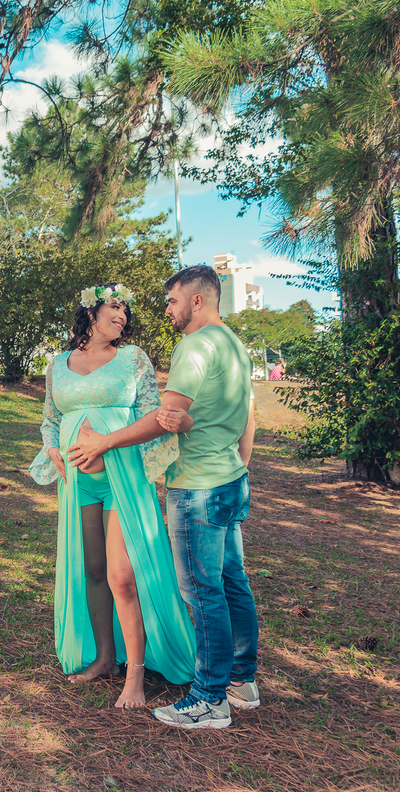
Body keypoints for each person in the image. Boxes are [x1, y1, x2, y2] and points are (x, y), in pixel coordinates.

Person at [68, 265, 258, 730]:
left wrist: (105, 442)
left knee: (203, 591)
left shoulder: (195, 345)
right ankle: (242, 681)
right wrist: (240, 465)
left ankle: (210, 699)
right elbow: (248, 415)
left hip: (198, 485)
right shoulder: (235, 344)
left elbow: (165, 415)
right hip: (230, 478)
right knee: (232, 582)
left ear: (197, 300)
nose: (167, 309)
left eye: (172, 300)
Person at [30, 283, 196, 709]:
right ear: (91, 312)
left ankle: (136, 675)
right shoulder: (58, 364)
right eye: (115, 307)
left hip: (122, 475)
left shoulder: (133, 359)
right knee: (93, 570)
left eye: (126, 311)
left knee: (123, 576)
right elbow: (51, 419)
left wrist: (115, 449)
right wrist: (53, 448)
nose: (122, 316)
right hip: (78, 480)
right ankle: (105, 659)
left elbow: (151, 414)